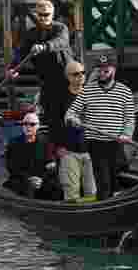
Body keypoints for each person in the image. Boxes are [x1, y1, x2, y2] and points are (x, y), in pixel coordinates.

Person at [65, 55, 135, 200]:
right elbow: (71, 112)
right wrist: (73, 119)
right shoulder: (87, 91)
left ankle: (114, 201)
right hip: (95, 143)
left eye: (106, 71)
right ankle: (105, 205)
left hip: (116, 143)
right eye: (100, 71)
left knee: (117, 179)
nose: (102, 74)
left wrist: (126, 134)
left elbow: (130, 119)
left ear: (113, 70)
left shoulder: (125, 92)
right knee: (103, 181)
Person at [7, 0, 72, 138]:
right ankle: (55, 150)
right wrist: (13, 68)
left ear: (52, 15)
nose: (43, 18)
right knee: (51, 118)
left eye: (46, 15)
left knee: (68, 117)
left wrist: (44, 46)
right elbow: (20, 53)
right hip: (47, 81)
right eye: (40, 15)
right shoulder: (31, 34)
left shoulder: (60, 28)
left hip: (66, 80)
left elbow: (60, 42)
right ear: (36, 15)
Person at [55, 60, 96, 201]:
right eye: (76, 74)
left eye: (83, 73)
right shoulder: (61, 97)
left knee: (92, 193)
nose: (81, 76)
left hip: (90, 151)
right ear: (68, 76)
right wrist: (59, 146)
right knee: (72, 193)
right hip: (69, 152)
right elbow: (54, 125)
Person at [3, 112, 61, 200]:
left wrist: (41, 179)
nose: (28, 127)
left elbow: (51, 164)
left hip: (42, 179)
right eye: (25, 124)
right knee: (24, 187)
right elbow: (11, 167)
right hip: (21, 179)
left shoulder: (46, 143)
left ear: (38, 126)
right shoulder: (13, 143)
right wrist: (29, 179)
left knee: (56, 188)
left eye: (32, 124)